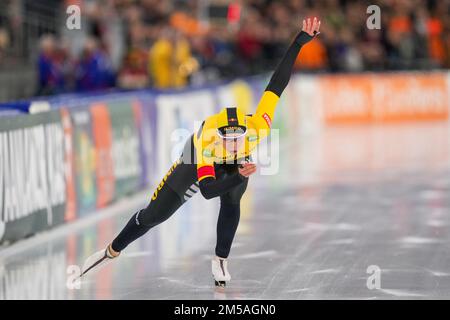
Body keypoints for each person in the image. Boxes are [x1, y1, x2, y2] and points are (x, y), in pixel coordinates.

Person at [81, 17, 321, 287]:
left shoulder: (257, 126)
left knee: (234, 196)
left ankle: (220, 258)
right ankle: (111, 250)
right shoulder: (207, 142)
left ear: (245, 134)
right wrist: (237, 173)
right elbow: (207, 190)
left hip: (232, 163)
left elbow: (277, 83)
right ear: (218, 136)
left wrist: (299, 41)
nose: (232, 143)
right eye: (226, 139)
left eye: (237, 139)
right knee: (155, 215)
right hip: (196, 157)